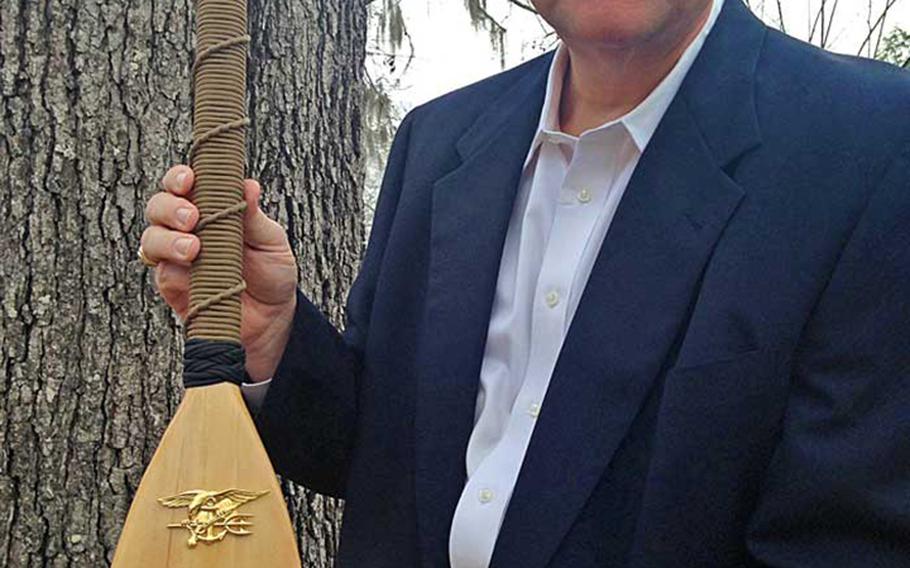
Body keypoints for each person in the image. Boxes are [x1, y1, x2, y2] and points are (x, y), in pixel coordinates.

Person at [140, 0, 910, 565]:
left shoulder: (869, 145)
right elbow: (380, 460)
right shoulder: (439, 142)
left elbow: (846, 538)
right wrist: (274, 338)